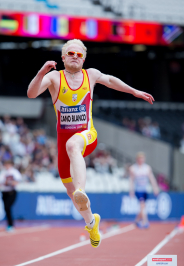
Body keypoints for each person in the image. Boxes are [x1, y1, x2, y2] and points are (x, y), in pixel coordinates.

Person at [27, 39, 154, 247]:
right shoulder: (54, 78)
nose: (75, 57)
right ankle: (91, 222)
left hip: (87, 135)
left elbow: (111, 81)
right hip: (63, 141)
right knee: (70, 191)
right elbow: (31, 94)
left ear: (84, 58)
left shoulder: (91, 75)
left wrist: (133, 91)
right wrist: (41, 71)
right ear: (63, 57)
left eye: (79, 55)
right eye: (71, 54)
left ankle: (81, 190)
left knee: (73, 148)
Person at [129, 152, 159, 229]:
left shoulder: (147, 168)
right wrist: (131, 190)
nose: (141, 160)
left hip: (145, 190)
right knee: (142, 205)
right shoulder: (133, 168)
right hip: (138, 190)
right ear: (137, 159)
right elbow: (131, 180)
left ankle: (136, 220)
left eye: (142, 158)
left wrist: (155, 188)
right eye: (140, 158)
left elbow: (151, 178)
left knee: (143, 207)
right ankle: (145, 221)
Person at [0, 159, 22, 232]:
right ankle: (9, 225)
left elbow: (16, 182)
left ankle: (11, 225)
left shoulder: (14, 172)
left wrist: (9, 182)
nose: (6, 166)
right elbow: (0, 183)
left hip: (11, 192)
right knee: (6, 208)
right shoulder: (3, 173)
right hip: (4, 192)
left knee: (8, 206)